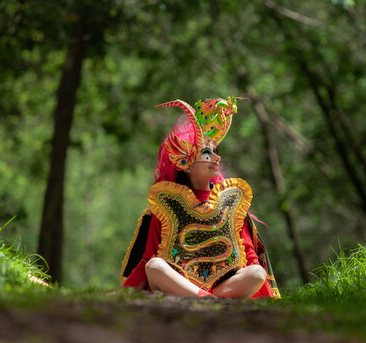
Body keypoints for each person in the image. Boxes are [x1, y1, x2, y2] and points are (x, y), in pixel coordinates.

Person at [120, 97, 280, 299]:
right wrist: (124, 292)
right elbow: (147, 260)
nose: (217, 158)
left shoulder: (232, 203)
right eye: (207, 154)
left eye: (216, 152)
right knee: (155, 266)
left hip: (221, 285)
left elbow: (250, 259)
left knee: (256, 273)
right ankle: (210, 299)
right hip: (179, 284)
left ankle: (205, 298)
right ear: (185, 162)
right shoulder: (165, 205)